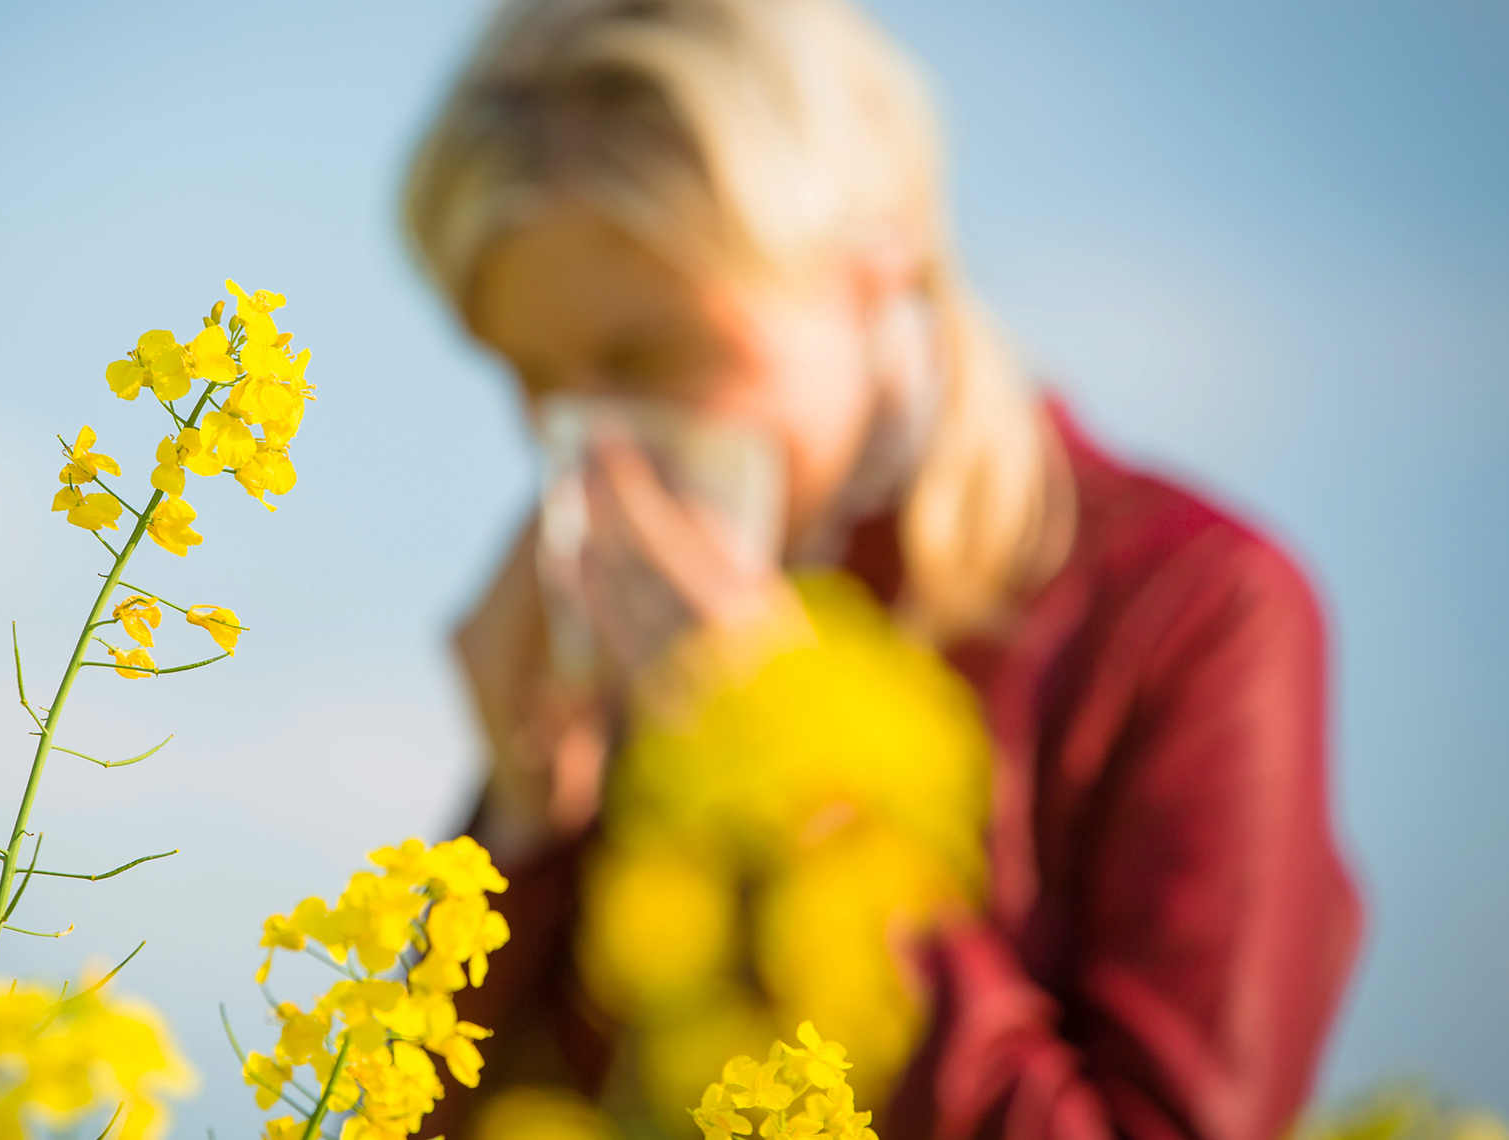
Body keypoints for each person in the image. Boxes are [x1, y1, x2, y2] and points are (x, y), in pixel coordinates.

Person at [400, 1, 1362, 1138]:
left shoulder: (1192, 611)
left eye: (649, 353)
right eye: (532, 376)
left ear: (877, 264)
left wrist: (789, 783)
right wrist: (519, 832)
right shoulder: (619, 634)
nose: (596, 444)